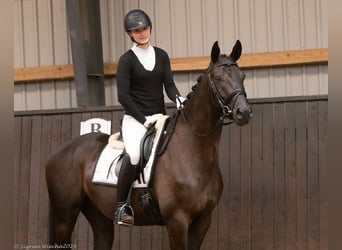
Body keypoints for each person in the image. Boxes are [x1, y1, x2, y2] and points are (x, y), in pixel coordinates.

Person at [114, 9, 186, 226]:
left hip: (160, 117)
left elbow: (169, 85)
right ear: (130, 34)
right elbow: (123, 96)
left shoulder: (162, 55)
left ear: (150, 28)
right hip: (135, 119)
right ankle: (121, 207)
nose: (142, 33)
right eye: (137, 30)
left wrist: (178, 99)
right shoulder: (126, 60)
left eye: (144, 28)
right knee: (135, 154)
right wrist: (142, 118)